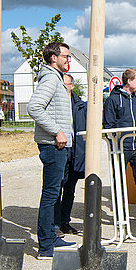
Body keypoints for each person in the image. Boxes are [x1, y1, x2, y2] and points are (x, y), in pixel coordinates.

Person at [28, 42, 76, 259]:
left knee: (54, 193)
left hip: (59, 146)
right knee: (50, 194)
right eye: (65, 56)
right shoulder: (50, 78)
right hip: (53, 145)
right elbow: (34, 107)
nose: (68, 60)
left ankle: (51, 237)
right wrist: (57, 132)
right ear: (53, 58)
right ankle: (46, 246)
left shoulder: (56, 78)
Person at [103, 68, 136, 229]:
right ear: (129, 81)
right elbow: (108, 125)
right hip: (121, 148)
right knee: (119, 183)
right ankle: (120, 215)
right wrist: (115, 146)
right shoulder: (113, 100)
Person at [54, 73, 86, 236]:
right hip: (61, 150)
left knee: (70, 189)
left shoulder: (80, 105)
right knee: (56, 188)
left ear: (72, 86)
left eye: (65, 84)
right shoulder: (56, 104)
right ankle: (54, 223)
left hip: (75, 154)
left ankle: (65, 222)